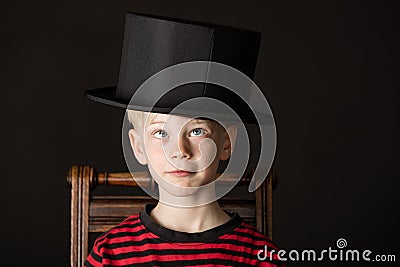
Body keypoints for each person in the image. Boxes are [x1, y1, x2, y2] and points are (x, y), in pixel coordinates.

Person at [83, 12, 284, 267]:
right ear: (137, 146)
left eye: (197, 131)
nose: (179, 151)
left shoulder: (260, 257)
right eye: (160, 133)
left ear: (226, 142)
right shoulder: (110, 254)